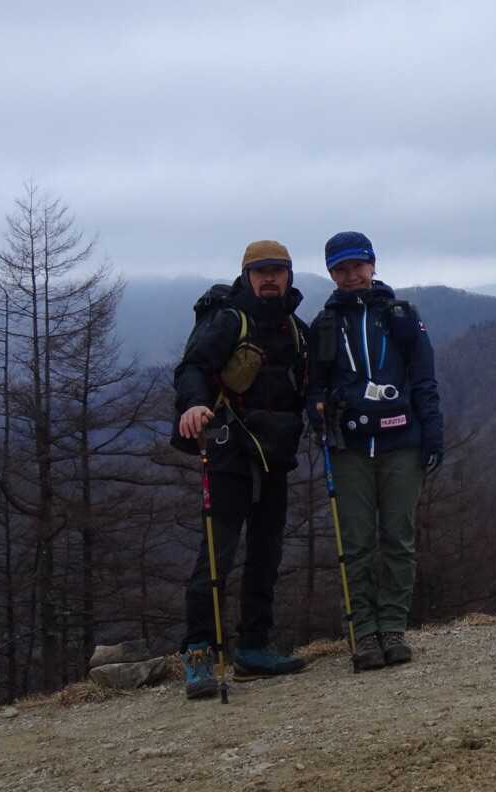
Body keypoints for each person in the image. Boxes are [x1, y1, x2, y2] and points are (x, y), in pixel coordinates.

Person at [173, 239, 310, 699]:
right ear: (247, 276)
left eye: (277, 270)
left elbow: (309, 383)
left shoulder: (296, 329)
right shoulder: (231, 320)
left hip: (275, 452)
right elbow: (192, 368)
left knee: (266, 553)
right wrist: (194, 404)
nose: (269, 278)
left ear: (288, 275)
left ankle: (253, 647)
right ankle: (199, 654)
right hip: (229, 449)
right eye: (260, 271)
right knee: (217, 556)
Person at [309, 231, 445, 670]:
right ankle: (364, 634)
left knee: (398, 539)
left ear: (372, 265)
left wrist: (433, 432)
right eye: (341, 269)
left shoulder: (402, 317)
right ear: (331, 274)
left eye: (358, 265)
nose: (351, 275)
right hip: (348, 447)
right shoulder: (325, 325)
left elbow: (424, 378)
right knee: (356, 544)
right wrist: (316, 412)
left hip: (402, 442)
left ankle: (393, 628)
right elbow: (313, 386)